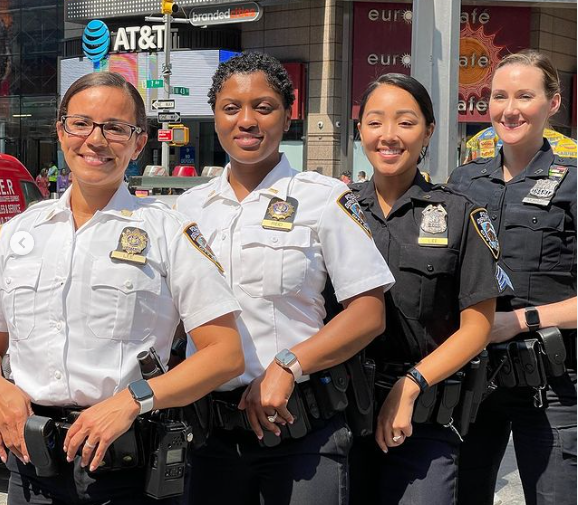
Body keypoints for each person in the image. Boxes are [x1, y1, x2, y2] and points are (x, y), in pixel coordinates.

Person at [0, 71, 245, 505]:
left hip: (127, 473)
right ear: (61, 131)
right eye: (81, 123)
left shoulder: (169, 232)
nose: (95, 140)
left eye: (115, 128)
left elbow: (224, 354)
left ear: (138, 143)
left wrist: (134, 400)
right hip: (31, 469)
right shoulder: (17, 234)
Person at [175, 52, 395, 505]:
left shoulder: (324, 198)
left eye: (264, 107)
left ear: (289, 115)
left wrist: (287, 364)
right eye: (231, 108)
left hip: (300, 433)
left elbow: (369, 314)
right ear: (214, 114)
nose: (247, 121)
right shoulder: (187, 209)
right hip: (210, 436)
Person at [347, 73, 503, 505]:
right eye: (375, 122)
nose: (389, 136)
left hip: (424, 418)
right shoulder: (335, 212)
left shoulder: (462, 214)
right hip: (338, 415)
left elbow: (477, 327)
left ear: (429, 131)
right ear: (360, 130)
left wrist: (411, 383)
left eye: (406, 122)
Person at [449, 50, 577, 505]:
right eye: (499, 96)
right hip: (471, 377)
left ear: (553, 103)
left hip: (551, 382)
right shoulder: (463, 183)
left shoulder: (573, 183)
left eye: (525, 95)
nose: (509, 108)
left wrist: (519, 322)